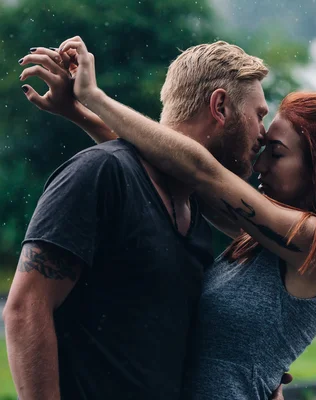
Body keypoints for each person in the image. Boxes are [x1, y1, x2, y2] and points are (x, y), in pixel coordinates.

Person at [33, 36, 316, 399]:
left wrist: (94, 96)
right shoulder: (259, 236)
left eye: (276, 154)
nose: (260, 164)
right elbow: (174, 167)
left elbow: (201, 170)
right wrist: (78, 112)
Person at [6, 40, 291, 399]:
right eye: (259, 115)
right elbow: (26, 308)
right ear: (220, 107)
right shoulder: (102, 173)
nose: (263, 134)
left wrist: (259, 364)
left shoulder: (197, 211)